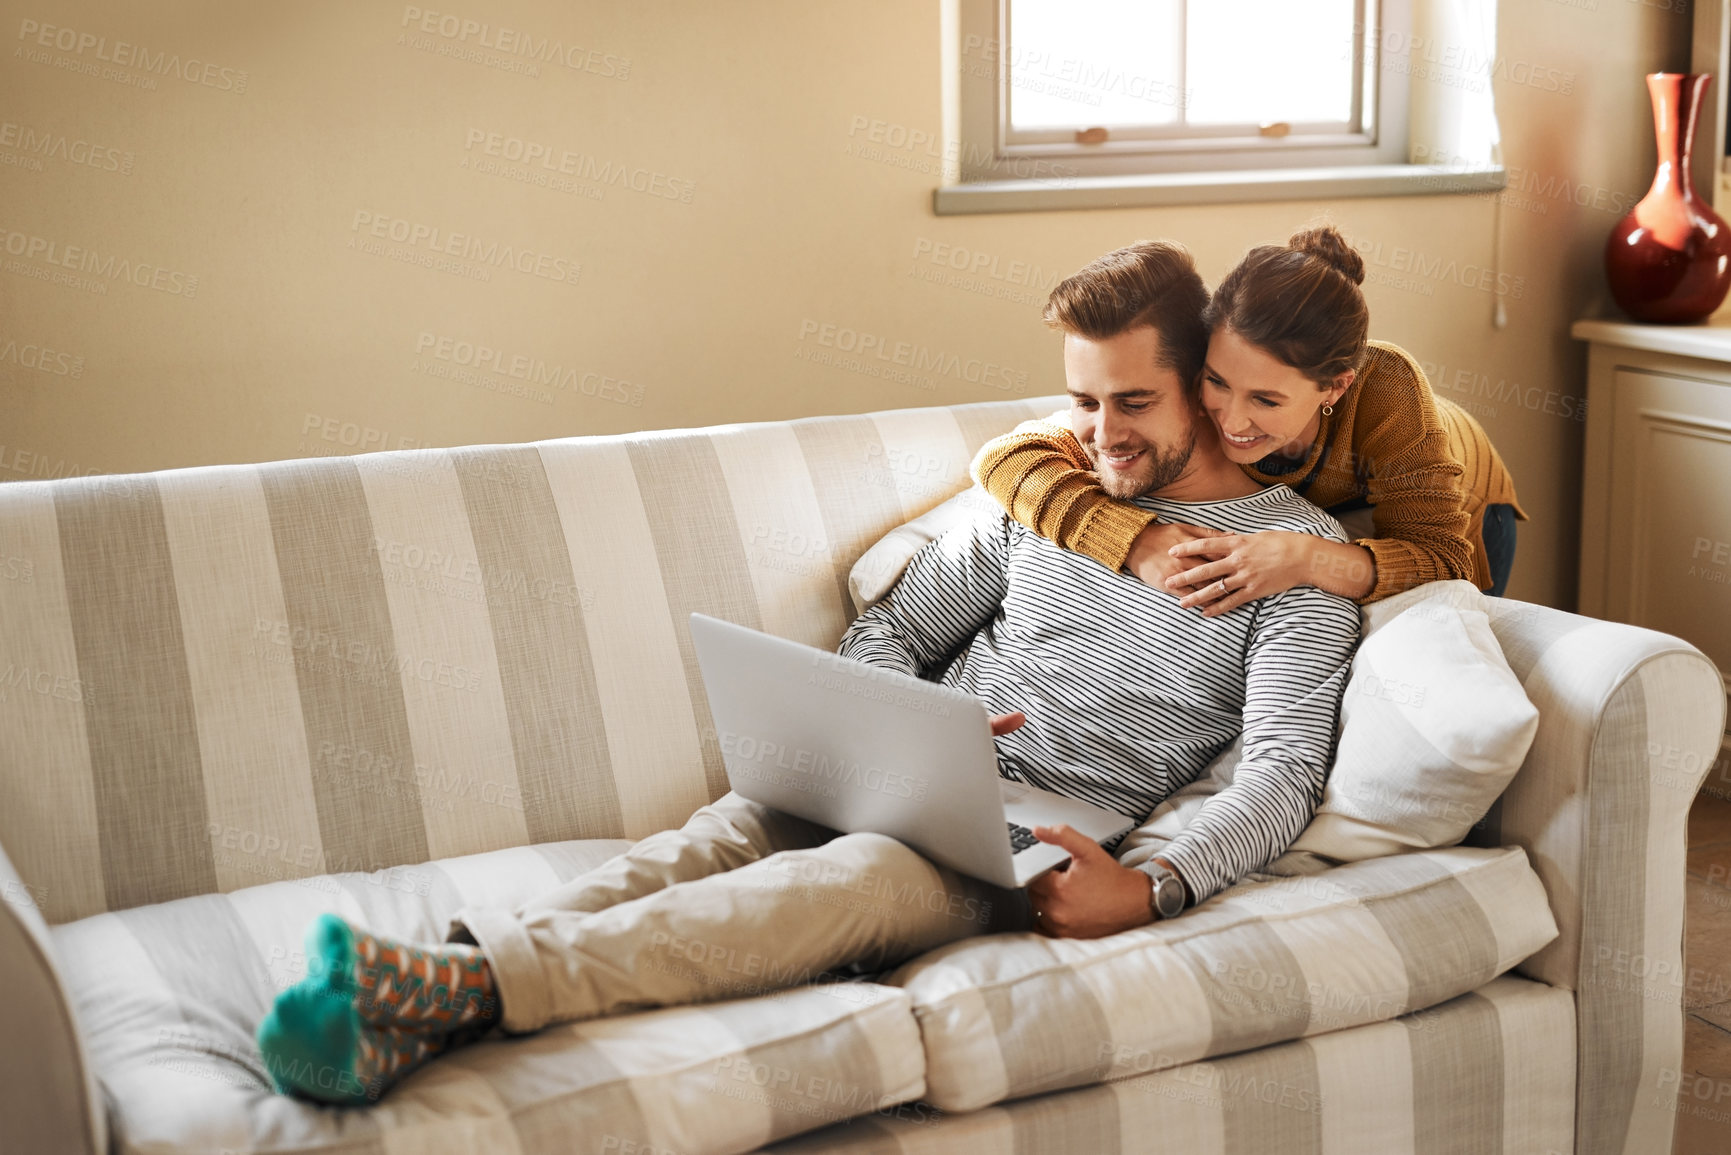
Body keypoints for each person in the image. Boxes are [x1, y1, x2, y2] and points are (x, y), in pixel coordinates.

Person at [253, 240, 1361, 1107]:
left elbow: (1279, 775)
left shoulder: (1290, 569)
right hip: (905, 769)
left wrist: (1153, 886)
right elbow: (891, 632)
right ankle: (428, 981)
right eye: (1081, 399)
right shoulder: (1048, 496)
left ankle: (456, 992)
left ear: (1200, 391)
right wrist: (908, 724)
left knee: (835, 889)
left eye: (1133, 403)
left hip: (1025, 841)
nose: (1099, 434)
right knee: (714, 841)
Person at [971, 227, 1526, 609]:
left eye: (1265, 400)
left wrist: (1308, 556)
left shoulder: (1384, 391)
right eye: (1216, 382)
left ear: (1335, 386)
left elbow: (1443, 557)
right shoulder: (1193, 387)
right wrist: (1135, 541)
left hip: (1467, 497)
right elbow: (1005, 459)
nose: (1230, 419)